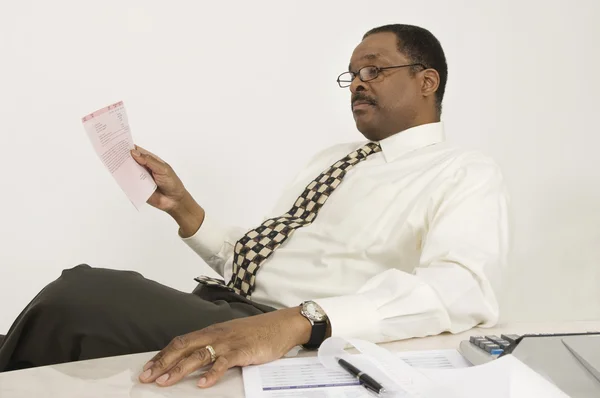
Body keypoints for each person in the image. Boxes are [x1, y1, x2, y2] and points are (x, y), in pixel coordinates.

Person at [0, 23, 509, 389]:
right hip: (229, 307)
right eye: (351, 74)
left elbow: (462, 288)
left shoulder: (463, 170)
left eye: (374, 70)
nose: (357, 82)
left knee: (82, 292)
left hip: (296, 336)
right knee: (57, 331)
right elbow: (256, 262)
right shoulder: (330, 161)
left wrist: (298, 321)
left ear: (427, 81)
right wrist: (185, 209)